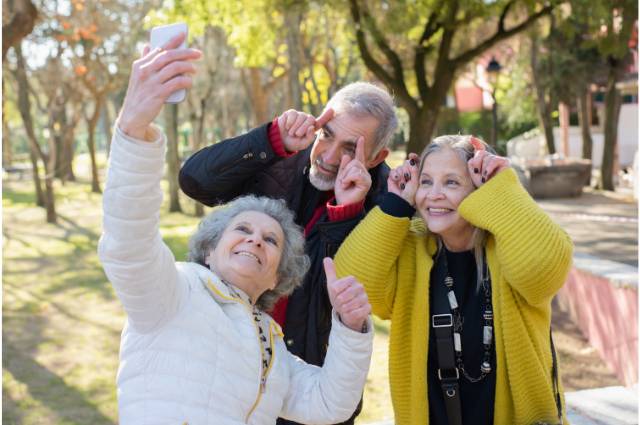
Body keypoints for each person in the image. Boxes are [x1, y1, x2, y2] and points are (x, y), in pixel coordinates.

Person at [99, 33, 374, 424]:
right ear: (209, 249)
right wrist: (133, 128)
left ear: (280, 275)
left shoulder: (273, 348)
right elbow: (127, 243)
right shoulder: (174, 294)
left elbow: (330, 403)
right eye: (242, 229)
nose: (254, 240)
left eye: (270, 240)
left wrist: (351, 327)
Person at [179, 63, 397, 424]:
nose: (327, 156)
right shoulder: (281, 157)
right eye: (325, 135)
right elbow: (194, 181)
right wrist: (270, 140)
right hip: (230, 362)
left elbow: (344, 290)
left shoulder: (385, 204)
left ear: (375, 158)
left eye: (348, 149)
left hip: (308, 384)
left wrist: (346, 212)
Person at [333, 135, 574, 425]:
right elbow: (353, 283)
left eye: (451, 182)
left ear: (479, 189)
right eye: (426, 182)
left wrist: (502, 188)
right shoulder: (411, 248)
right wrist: (396, 203)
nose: (434, 194)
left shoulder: (510, 246)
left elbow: (543, 269)